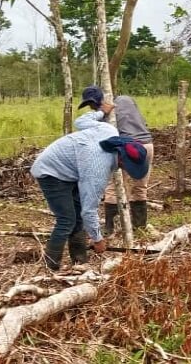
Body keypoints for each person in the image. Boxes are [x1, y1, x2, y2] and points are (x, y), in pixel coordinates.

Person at [30, 103, 149, 271]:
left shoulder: (109, 131)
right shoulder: (98, 168)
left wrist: (100, 113)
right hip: (50, 171)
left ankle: (79, 261)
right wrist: (98, 239)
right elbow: (89, 210)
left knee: (77, 216)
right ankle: (51, 266)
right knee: (67, 220)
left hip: (71, 169)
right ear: (122, 160)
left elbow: (81, 121)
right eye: (128, 167)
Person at [101, 95, 154, 235]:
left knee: (113, 186)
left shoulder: (111, 114)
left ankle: (111, 228)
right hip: (146, 146)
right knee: (140, 187)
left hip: (126, 147)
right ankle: (139, 226)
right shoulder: (137, 115)